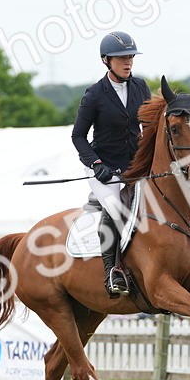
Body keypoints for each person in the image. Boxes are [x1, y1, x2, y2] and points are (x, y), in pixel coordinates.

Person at [71, 31, 152, 297]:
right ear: (106, 60)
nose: (128, 62)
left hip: (134, 164)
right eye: (121, 58)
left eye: (130, 57)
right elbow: (78, 135)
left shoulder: (140, 87)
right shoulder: (95, 94)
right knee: (116, 210)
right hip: (103, 166)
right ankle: (112, 272)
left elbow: (149, 127)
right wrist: (95, 163)